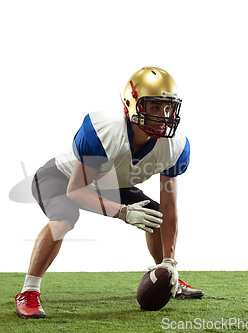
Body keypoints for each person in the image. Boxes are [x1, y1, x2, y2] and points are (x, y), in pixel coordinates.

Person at [15, 66, 204, 319]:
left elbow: (169, 208)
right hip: (61, 179)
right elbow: (76, 190)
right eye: (155, 107)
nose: (164, 115)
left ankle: (166, 277)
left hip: (109, 183)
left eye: (168, 108)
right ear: (133, 104)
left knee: (155, 215)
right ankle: (29, 291)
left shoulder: (176, 146)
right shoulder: (106, 129)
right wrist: (123, 212)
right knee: (63, 219)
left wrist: (170, 262)